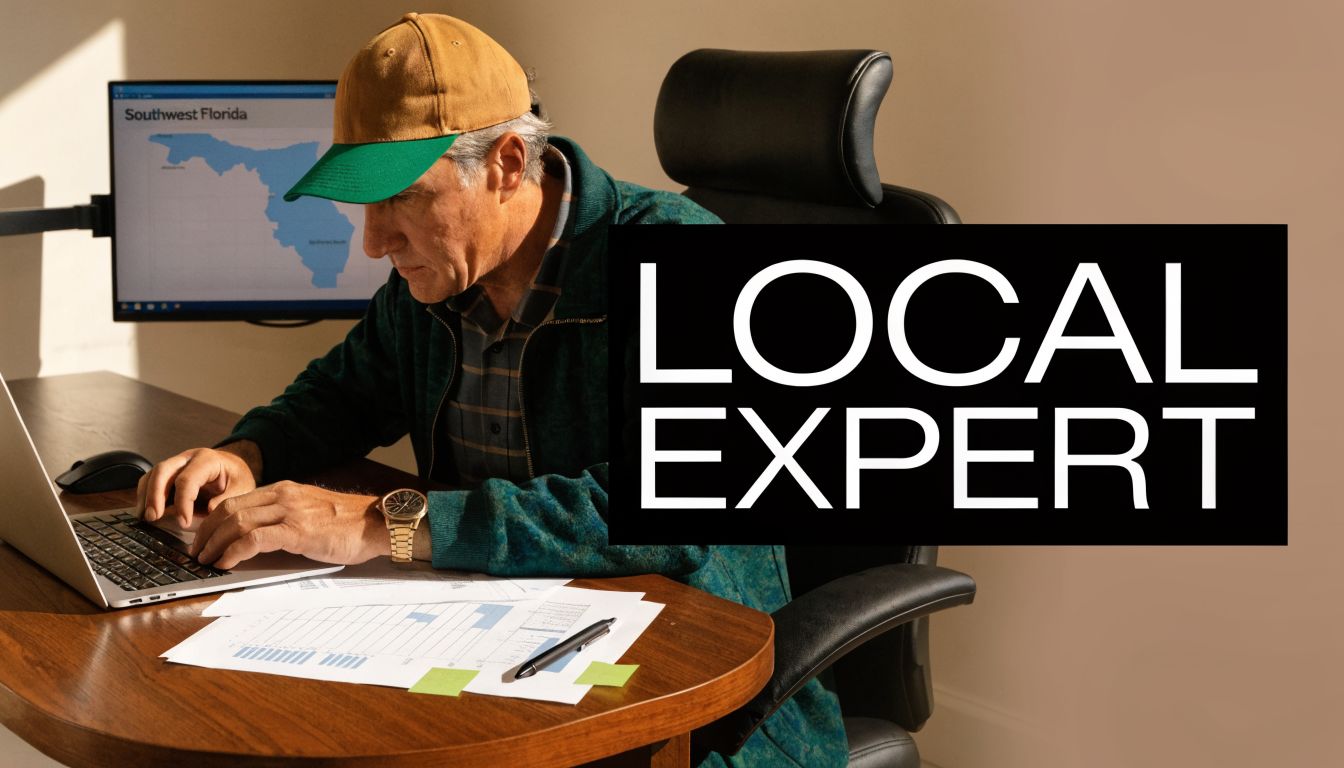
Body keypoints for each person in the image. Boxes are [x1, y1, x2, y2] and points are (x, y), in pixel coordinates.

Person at [137, 13, 845, 767]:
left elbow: (672, 509)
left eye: (402, 197)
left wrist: (385, 521)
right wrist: (247, 452)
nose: (373, 242)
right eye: (362, 204)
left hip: (693, 703)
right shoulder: (434, 279)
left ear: (508, 162)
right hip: (490, 657)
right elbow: (340, 395)